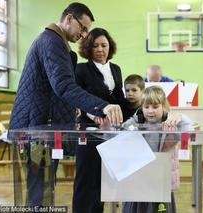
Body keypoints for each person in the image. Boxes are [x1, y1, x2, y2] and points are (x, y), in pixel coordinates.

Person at [9, 2, 122, 206]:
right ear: (69, 19)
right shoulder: (51, 41)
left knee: (44, 188)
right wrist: (103, 106)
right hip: (37, 130)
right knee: (40, 192)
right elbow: (63, 86)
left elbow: (54, 89)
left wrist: (73, 106)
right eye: (83, 28)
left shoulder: (56, 43)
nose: (84, 34)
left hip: (42, 126)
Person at [73, 27, 128, 213]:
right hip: (88, 130)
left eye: (104, 45)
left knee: (102, 180)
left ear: (109, 47)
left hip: (111, 132)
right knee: (86, 179)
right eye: (95, 45)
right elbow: (78, 97)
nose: (100, 49)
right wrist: (93, 115)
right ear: (88, 48)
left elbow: (119, 98)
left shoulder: (116, 69)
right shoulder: (80, 69)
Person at [121, 86, 193, 213]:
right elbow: (121, 132)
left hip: (161, 181)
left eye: (155, 107)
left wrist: (179, 116)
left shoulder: (171, 123)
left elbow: (189, 130)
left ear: (163, 107)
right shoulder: (136, 121)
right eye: (146, 107)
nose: (150, 111)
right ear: (141, 107)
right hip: (139, 180)